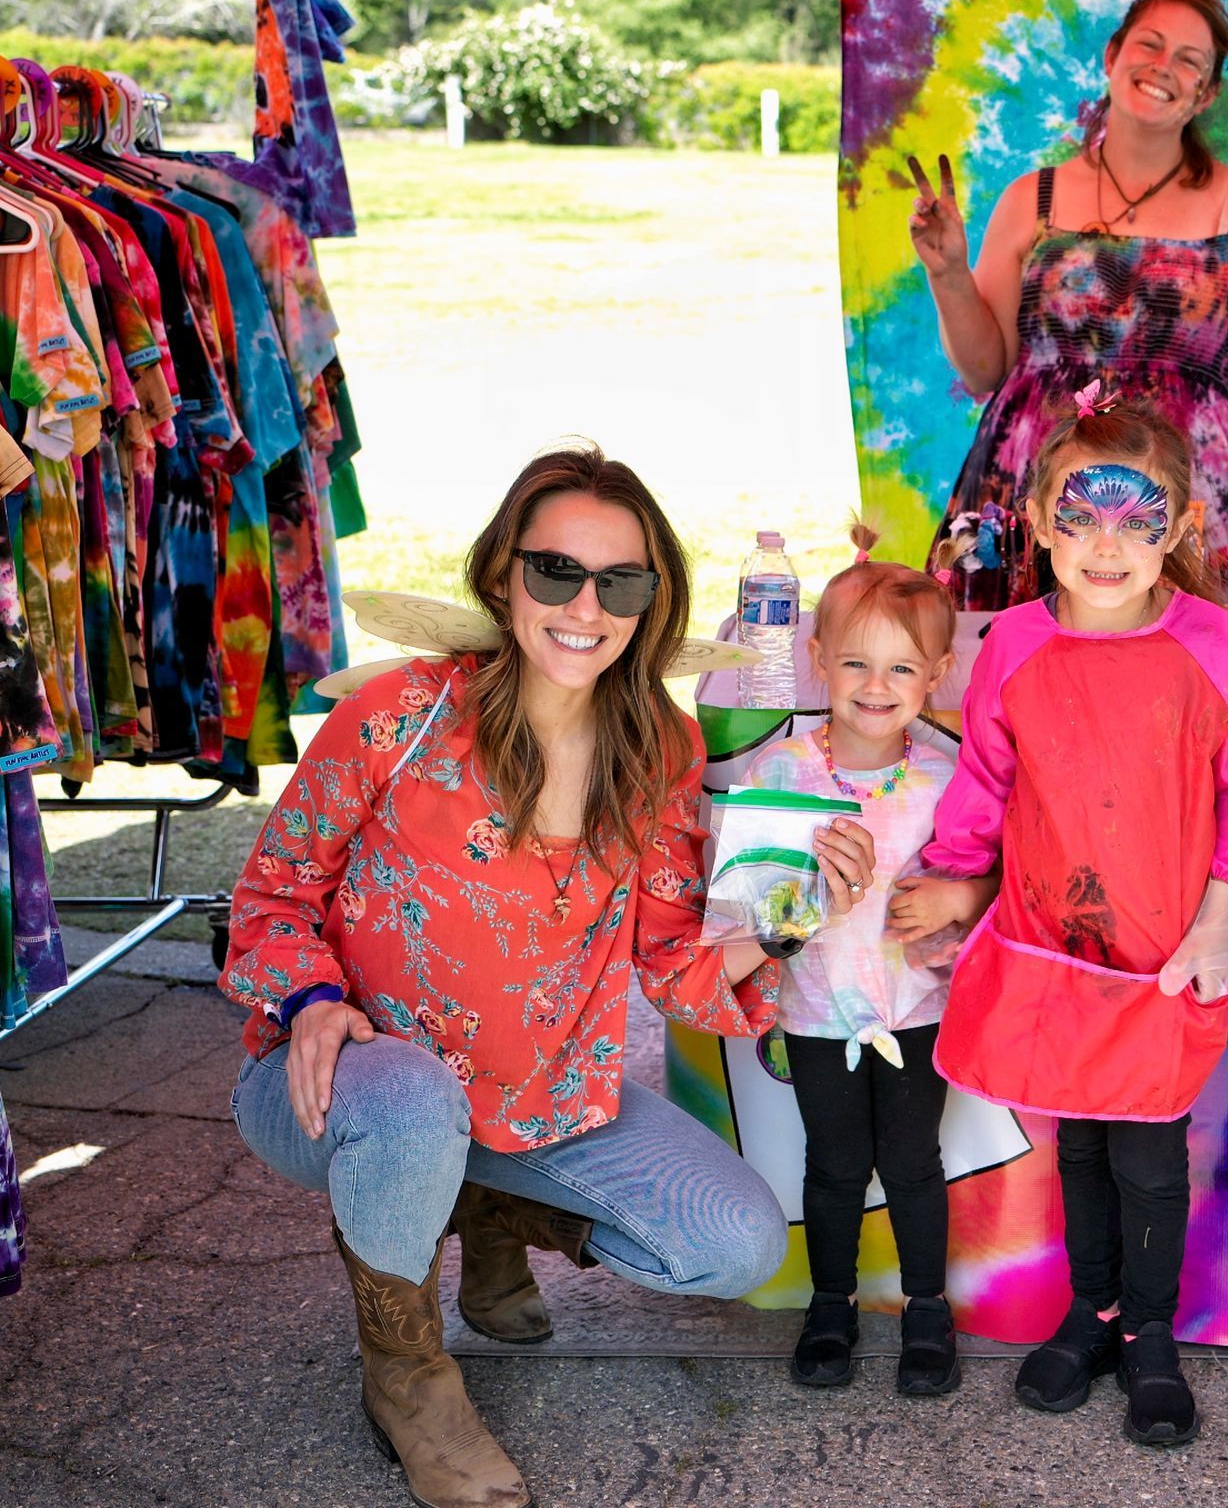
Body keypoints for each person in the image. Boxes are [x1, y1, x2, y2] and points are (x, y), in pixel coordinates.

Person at [219, 444, 878, 1508]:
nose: (586, 605)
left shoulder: (656, 747)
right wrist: (311, 997)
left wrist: (795, 918)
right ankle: (407, 1372)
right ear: (501, 577)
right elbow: (271, 892)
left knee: (734, 1244)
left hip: (534, 1103)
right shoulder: (401, 713)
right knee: (410, 1102)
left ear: (653, 604)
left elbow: (671, 963)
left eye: (622, 581)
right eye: (556, 571)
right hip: (348, 1091)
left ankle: (481, 1203)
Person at [889, 393, 1228, 1447]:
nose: (1106, 543)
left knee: (1148, 1155)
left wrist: (1221, 917)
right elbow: (984, 781)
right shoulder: (1012, 645)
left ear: (1182, 527)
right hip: (1049, 943)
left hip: (1164, 951)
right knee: (1075, 1144)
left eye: (1136, 518)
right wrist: (953, 882)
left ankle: (1151, 1332)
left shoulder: (1223, 652)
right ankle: (1093, 1311)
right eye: (1082, 516)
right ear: (1036, 518)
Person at [907, 0, 1228, 600]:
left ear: (1208, 93)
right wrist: (947, 274)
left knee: (1183, 688)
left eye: (1190, 60)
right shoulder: (1033, 198)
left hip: (1181, 510)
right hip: (1034, 504)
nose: (1163, 66)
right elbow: (982, 371)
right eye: (1150, 44)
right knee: (1018, 682)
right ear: (1113, 56)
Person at [739, 527, 962, 1395]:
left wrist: (952, 900)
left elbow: (986, 878)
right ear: (818, 658)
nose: (878, 688)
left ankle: (927, 1307)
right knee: (833, 1164)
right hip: (819, 1012)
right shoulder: (781, 767)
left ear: (936, 676)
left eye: (903, 669)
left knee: (913, 1164)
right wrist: (810, 900)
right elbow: (755, 912)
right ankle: (829, 1302)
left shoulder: (949, 776)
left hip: (918, 1009)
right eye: (858, 665)